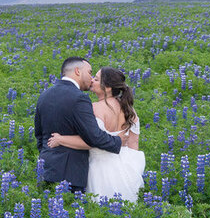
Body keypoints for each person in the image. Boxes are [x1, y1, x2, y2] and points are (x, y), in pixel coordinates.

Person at [47, 67, 145, 201]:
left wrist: (61, 139)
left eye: (97, 79)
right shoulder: (129, 110)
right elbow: (134, 144)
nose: (92, 80)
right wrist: (133, 170)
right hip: (125, 169)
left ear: (108, 88)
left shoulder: (95, 108)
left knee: (98, 211)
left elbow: (92, 141)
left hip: (99, 170)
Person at [34, 56, 123, 194]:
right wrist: (118, 141)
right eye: (89, 72)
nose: (91, 77)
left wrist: (48, 155)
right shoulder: (79, 98)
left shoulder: (44, 95)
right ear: (77, 71)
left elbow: (39, 135)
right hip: (70, 176)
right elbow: (93, 136)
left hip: (46, 169)